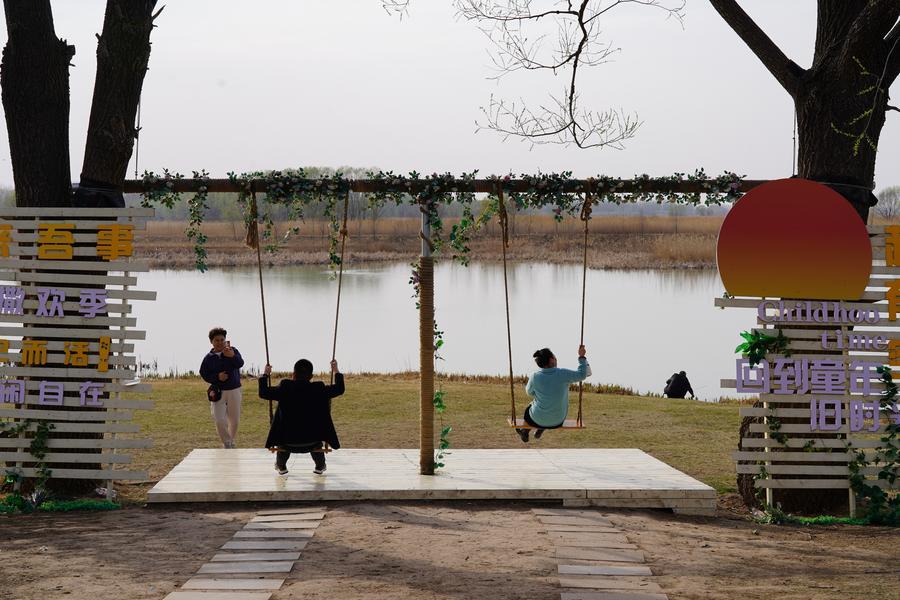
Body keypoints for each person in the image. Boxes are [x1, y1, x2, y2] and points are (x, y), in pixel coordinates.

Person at [258, 358, 344, 475]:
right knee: (316, 437)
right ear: (311, 376)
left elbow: (263, 392)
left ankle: (281, 465)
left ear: (293, 374)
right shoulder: (318, 388)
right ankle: (320, 465)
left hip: (288, 441)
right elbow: (339, 389)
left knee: (283, 438)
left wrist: (266, 374)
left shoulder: (285, 386)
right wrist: (336, 370)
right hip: (312, 441)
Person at [516, 345, 591, 443]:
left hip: (536, 420)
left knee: (530, 409)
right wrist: (581, 357)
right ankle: (541, 429)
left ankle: (526, 431)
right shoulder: (563, 374)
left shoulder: (535, 376)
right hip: (557, 421)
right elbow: (582, 375)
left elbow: (529, 392)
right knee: (547, 407)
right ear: (551, 360)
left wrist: (540, 395)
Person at [199, 327, 244, 448]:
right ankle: (227, 443)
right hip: (217, 391)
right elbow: (204, 374)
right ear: (211, 342)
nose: (219, 342)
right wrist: (217, 377)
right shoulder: (208, 358)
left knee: (234, 420)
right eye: (216, 340)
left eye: (222, 340)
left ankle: (230, 442)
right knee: (219, 419)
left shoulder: (233, 350)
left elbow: (240, 363)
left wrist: (232, 356)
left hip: (234, 389)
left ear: (225, 340)